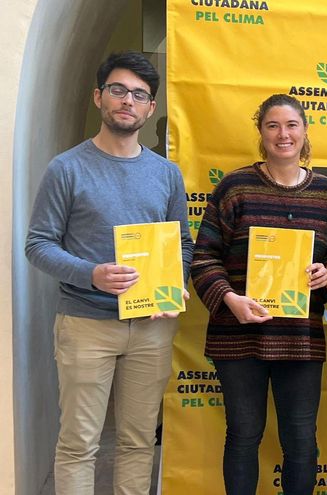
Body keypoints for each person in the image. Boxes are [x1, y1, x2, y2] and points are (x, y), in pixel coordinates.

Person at [25, 51, 194, 495]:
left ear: (150, 108)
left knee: (138, 441)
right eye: (118, 90)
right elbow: (38, 244)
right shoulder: (66, 168)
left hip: (152, 326)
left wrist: (175, 282)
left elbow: (182, 243)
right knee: (79, 444)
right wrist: (91, 274)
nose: (127, 101)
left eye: (139, 95)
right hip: (86, 324)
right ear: (99, 96)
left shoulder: (166, 174)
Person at [190, 94, 327, 495]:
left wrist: (326, 274)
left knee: (301, 440)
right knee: (243, 435)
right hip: (237, 336)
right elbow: (203, 257)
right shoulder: (234, 187)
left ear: (305, 130)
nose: (283, 134)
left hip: (300, 339)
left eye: (291, 125)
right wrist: (230, 300)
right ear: (261, 132)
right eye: (272, 125)